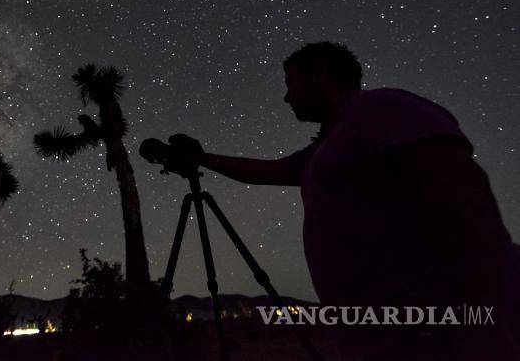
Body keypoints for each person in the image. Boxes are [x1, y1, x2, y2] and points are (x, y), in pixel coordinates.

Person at [169, 41, 519, 360]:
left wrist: (484, 318)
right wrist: (202, 158)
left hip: (431, 332)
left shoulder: (383, 108)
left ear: (320, 74)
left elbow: (468, 203)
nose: (286, 97)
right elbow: (271, 172)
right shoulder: (330, 145)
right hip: (380, 334)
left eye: (290, 83)